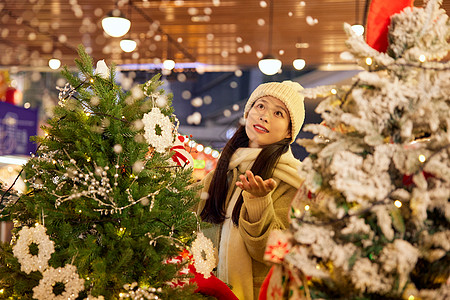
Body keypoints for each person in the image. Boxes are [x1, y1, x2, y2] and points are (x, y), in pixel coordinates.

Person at [194, 80, 305, 300]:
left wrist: (258, 203)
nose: (265, 116)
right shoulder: (228, 169)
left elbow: (276, 254)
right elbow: (186, 214)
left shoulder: (295, 182)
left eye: (278, 113)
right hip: (211, 292)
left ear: (289, 132)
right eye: (260, 106)